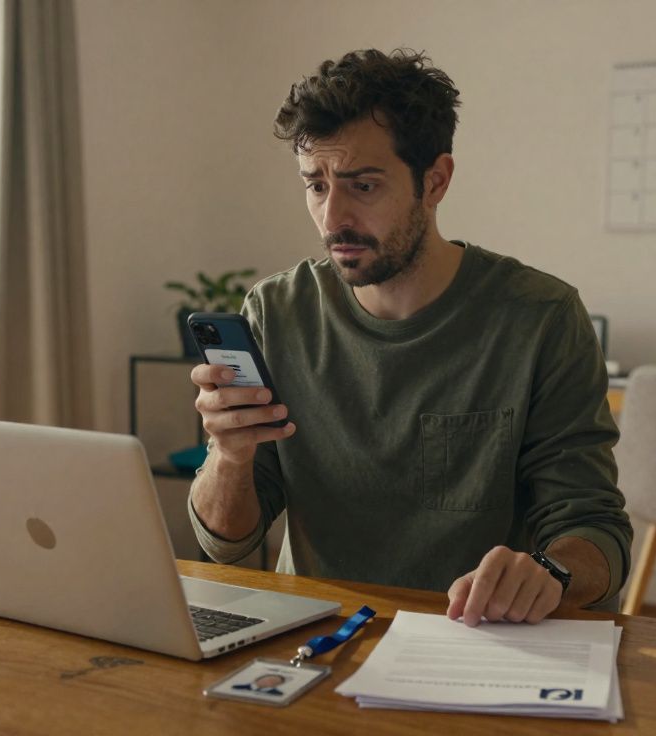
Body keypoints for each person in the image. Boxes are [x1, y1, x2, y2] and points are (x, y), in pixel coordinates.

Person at [187, 49, 631, 626]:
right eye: (316, 185)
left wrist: (551, 572)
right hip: (318, 633)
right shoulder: (277, 313)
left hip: (478, 638)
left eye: (363, 185)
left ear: (435, 181)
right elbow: (227, 543)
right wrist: (229, 455)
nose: (333, 218)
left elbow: (594, 527)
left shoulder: (540, 317)